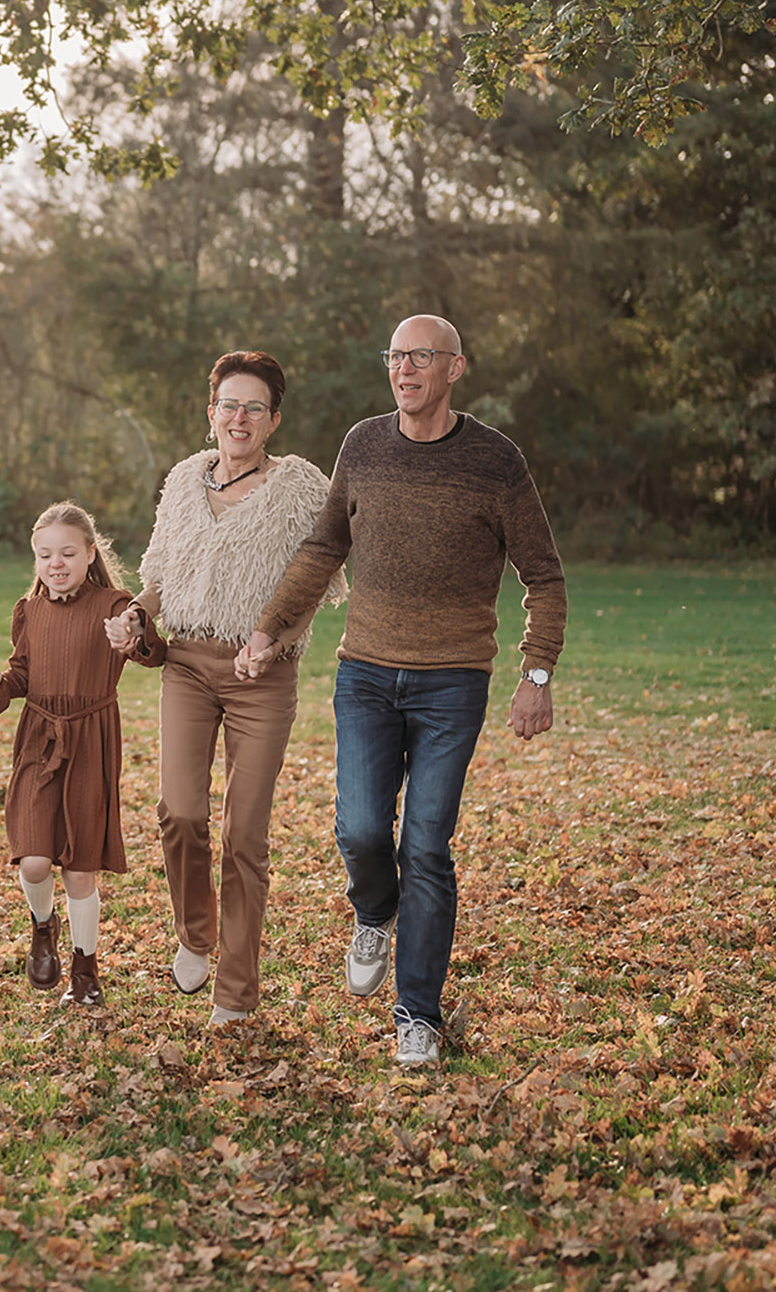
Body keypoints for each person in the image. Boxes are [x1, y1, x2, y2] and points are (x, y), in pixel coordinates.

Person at [240, 314, 566, 1068]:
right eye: (395, 356)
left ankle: (417, 1014)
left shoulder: (496, 461)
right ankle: (374, 911)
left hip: (453, 682)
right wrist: (268, 629)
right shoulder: (363, 443)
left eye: (421, 356)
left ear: (455, 368)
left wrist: (537, 673)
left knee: (425, 843)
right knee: (358, 829)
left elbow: (544, 576)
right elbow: (325, 545)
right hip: (365, 675)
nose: (405, 368)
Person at [107, 350, 342, 1028]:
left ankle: (236, 992)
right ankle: (194, 935)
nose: (240, 418)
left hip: (261, 676)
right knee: (179, 812)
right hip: (185, 663)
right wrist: (134, 615)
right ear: (212, 413)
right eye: (229, 405)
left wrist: (270, 638)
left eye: (255, 408)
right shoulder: (183, 480)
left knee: (245, 835)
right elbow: (159, 576)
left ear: (274, 420)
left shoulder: (300, 487)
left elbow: (319, 577)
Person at [0, 501, 165, 1007]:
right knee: (33, 861)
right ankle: (42, 925)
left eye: (67, 553)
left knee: (78, 867)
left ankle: (85, 969)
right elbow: (22, 675)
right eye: (44, 555)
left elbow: (152, 652)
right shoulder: (28, 611)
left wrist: (132, 636)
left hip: (92, 741)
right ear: (35, 560)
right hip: (38, 739)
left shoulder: (115, 606)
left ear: (89, 553)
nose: (56, 563)